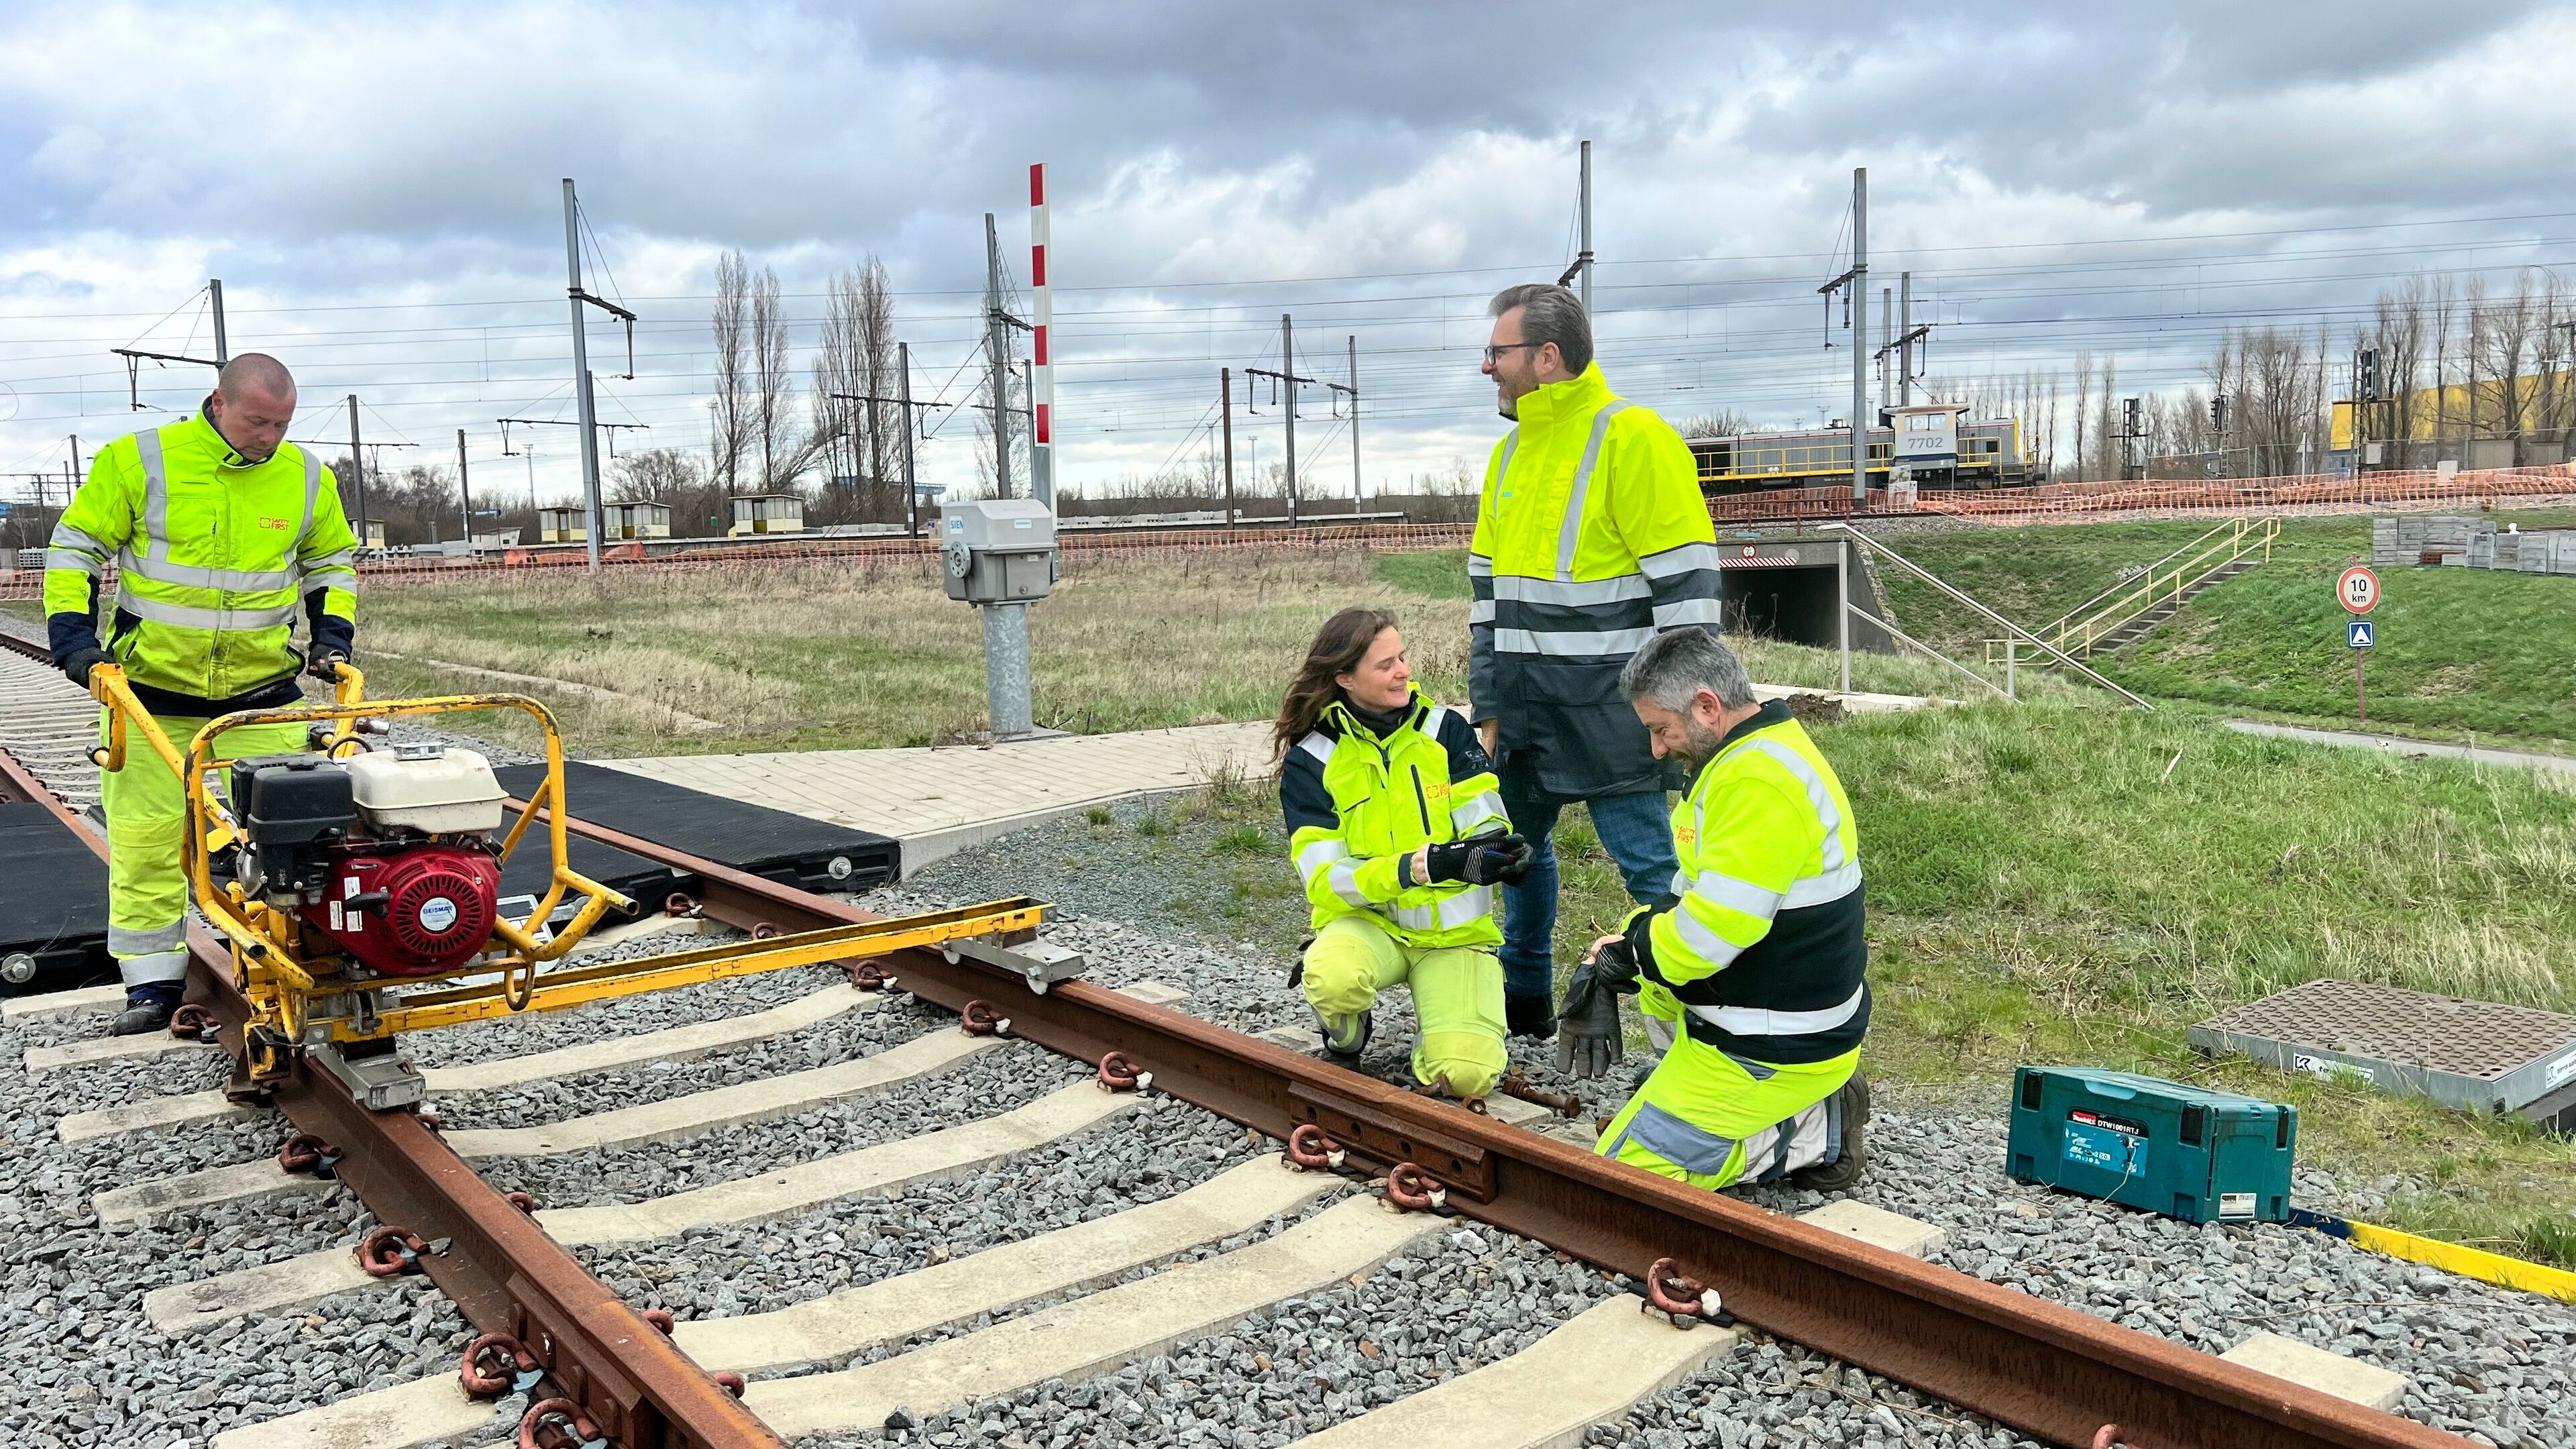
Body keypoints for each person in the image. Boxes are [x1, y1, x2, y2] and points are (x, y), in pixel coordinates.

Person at [44, 354, 359, 1034]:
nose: (269, 437)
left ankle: (301, 959)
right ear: (219, 402)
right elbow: (75, 548)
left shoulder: (306, 476)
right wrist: (73, 639)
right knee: (147, 839)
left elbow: (331, 562)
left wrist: (333, 638)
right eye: (257, 421)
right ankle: (152, 982)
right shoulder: (141, 460)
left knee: (296, 835)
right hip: (151, 695)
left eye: (281, 424)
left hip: (263, 693)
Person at [1470, 282, 1722, 1040]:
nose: (1487, 366)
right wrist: (1488, 705)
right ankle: (1523, 996)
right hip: (1524, 710)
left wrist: (1685, 715)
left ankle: (1696, 1021)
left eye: (1497, 351)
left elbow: (1688, 593)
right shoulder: (1508, 455)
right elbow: (1487, 600)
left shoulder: (1633, 438)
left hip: (1617, 715)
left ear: (1547, 357)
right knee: (1514, 853)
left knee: (1654, 873)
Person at [1554, 627, 1870, 1192]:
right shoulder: (1749, 755)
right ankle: (1699, 1101)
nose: (1657, 749)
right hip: (1771, 1008)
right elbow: (1692, 899)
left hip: (1777, 1040)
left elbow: (1706, 939)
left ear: (1706, 707)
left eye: (1660, 729)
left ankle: (1815, 1128)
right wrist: (1616, 949)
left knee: (1627, 1178)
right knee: (1647, 961)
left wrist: (1631, 955)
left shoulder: (1757, 784)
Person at [1276, 608, 1535, 1100]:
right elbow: (1325, 880)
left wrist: (1499, 853)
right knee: (1333, 977)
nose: (1404, 672)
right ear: (1345, 678)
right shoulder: (1313, 758)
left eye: (1402, 657)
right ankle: (1347, 1032)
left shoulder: (1446, 730)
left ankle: (1441, 1030)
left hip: (1453, 937)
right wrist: (1416, 868)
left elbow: (1485, 817)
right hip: (1369, 927)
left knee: (1466, 1076)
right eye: (1386, 665)